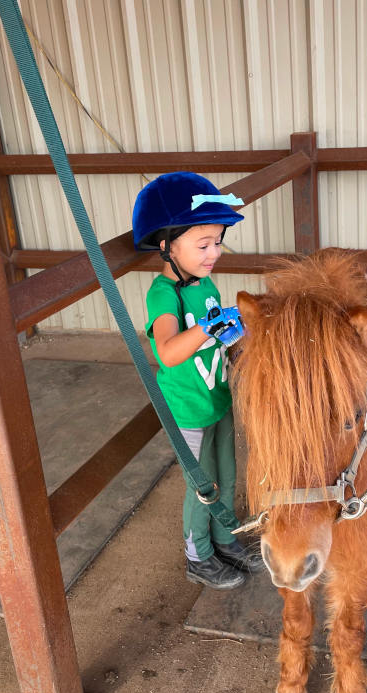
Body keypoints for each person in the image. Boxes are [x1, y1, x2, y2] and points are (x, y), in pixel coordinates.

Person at [133, 172, 264, 589]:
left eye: (218, 242)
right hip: (188, 408)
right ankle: (198, 557)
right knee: (203, 487)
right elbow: (169, 352)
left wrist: (233, 334)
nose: (214, 253)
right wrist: (211, 326)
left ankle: (227, 539)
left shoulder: (204, 282)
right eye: (203, 244)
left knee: (228, 474)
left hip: (217, 397)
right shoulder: (162, 294)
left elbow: (213, 335)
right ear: (166, 246)